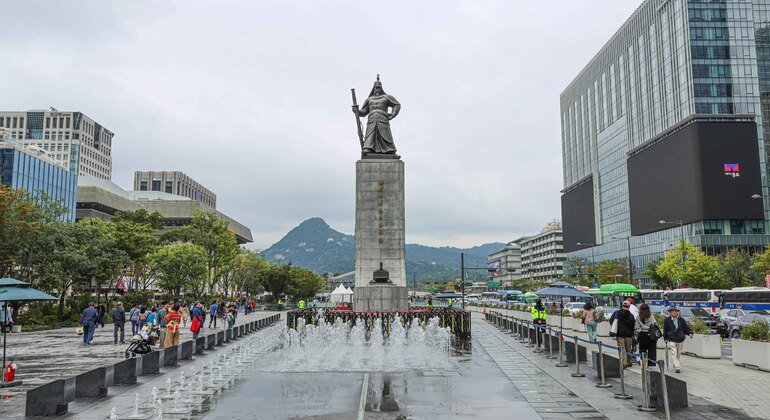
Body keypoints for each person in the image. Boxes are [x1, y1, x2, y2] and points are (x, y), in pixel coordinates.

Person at [353, 76, 401, 155]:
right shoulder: (369, 99)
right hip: (371, 119)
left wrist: (393, 115)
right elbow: (364, 112)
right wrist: (357, 111)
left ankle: (389, 149)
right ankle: (368, 148)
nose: (377, 89)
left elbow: (397, 105)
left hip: (383, 119)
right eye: (375, 88)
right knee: (370, 134)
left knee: (385, 135)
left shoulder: (386, 97)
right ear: (373, 88)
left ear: (381, 88)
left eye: (378, 87)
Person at [663, 306, 693, 373]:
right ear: (670, 312)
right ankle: (677, 367)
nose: (674, 312)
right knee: (674, 353)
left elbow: (686, 328)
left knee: (678, 354)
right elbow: (665, 330)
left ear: (677, 312)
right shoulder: (667, 320)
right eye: (672, 311)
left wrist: (690, 333)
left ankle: (675, 365)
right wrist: (665, 338)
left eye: (675, 311)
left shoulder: (681, 320)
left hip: (680, 339)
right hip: (672, 339)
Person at [616, 301, 636, 368]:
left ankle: (623, 363)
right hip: (629, 334)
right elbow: (634, 325)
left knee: (622, 348)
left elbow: (612, 321)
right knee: (628, 348)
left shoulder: (617, 313)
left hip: (620, 334)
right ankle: (628, 362)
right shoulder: (631, 315)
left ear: (622, 305)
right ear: (629, 306)